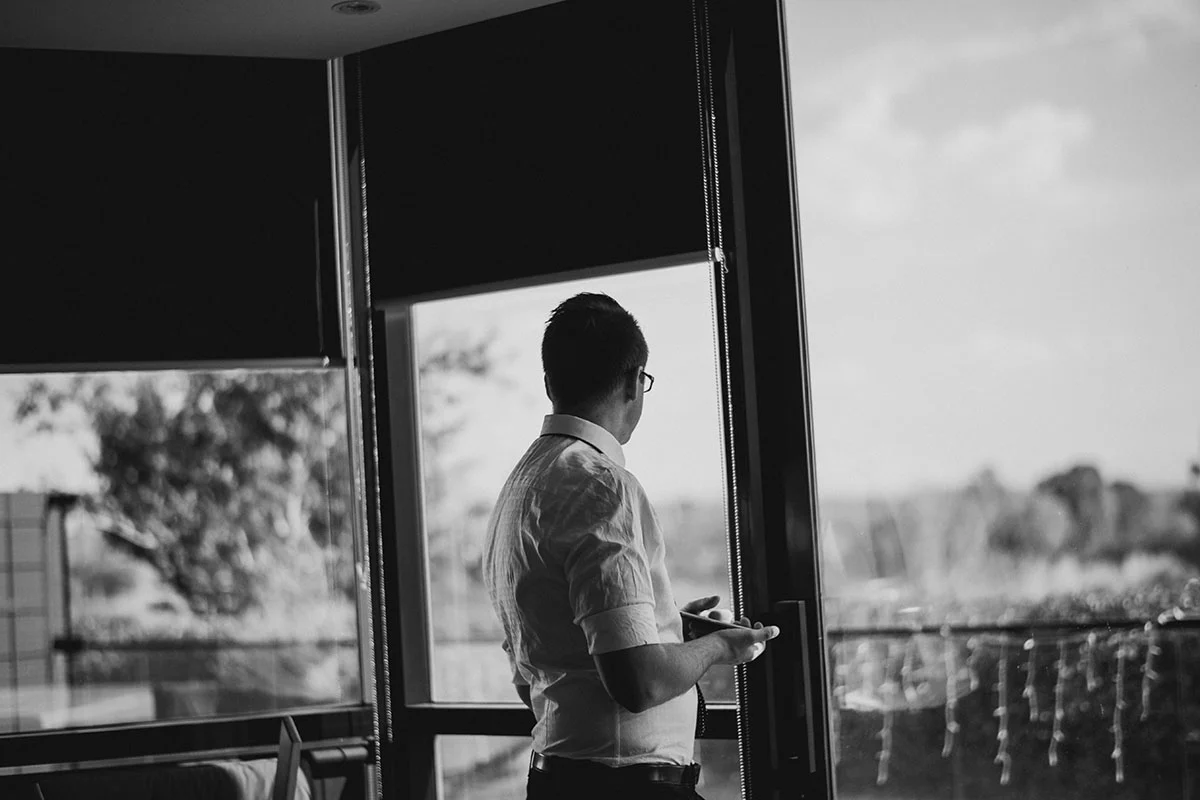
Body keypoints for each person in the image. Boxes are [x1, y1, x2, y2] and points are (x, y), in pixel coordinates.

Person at [483, 292, 779, 799]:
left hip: (558, 779)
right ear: (633, 382)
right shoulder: (601, 487)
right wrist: (720, 646)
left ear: (550, 383)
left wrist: (666, 628)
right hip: (626, 786)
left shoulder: (518, 489)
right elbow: (639, 684)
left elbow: (544, 661)